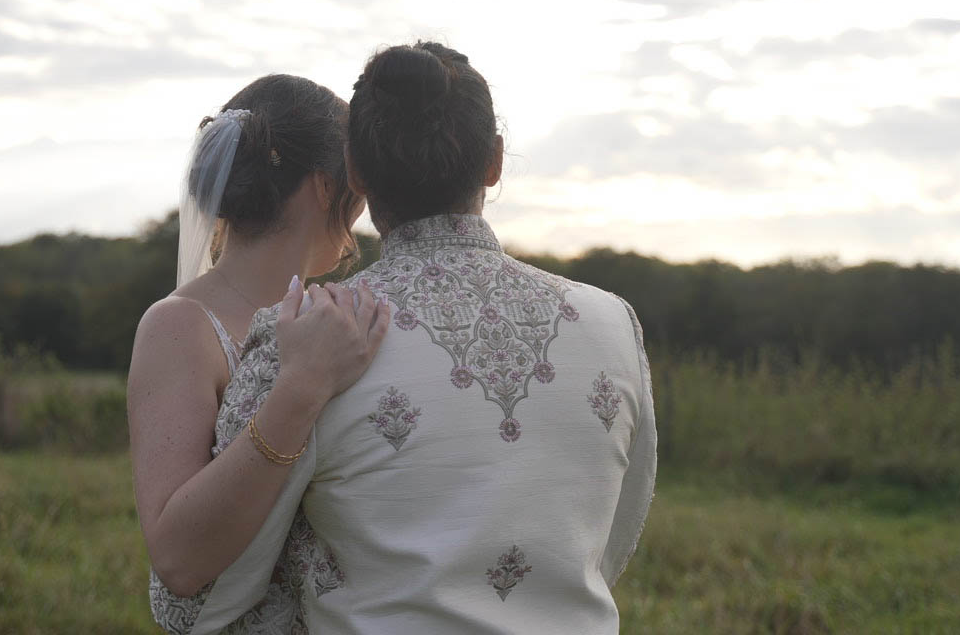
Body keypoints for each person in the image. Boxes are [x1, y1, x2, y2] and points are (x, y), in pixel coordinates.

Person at [182, 42, 658, 634]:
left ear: (354, 170)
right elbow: (612, 538)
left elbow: (206, 591)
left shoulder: (303, 336)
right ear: (495, 161)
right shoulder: (614, 323)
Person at [127, 74, 391, 634]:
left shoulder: (340, 316)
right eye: (358, 181)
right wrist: (301, 387)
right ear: (325, 186)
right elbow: (178, 559)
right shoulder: (180, 326)